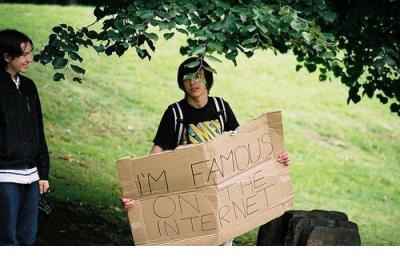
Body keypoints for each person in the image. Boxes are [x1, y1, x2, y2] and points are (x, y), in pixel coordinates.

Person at [120, 57, 290, 245]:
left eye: (198, 76)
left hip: (223, 203)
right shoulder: (174, 114)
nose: (193, 82)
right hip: (188, 202)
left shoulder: (221, 108)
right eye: (187, 78)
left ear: (207, 78)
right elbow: (157, 154)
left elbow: (243, 149)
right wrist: (136, 192)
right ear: (181, 83)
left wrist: (275, 159)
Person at [0, 29, 50, 246]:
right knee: (6, 240)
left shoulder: (29, 87)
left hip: (31, 177)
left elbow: (38, 130)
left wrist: (43, 172)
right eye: (24, 54)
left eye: (30, 53)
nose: (29, 59)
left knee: (27, 239)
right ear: (7, 56)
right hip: (4, 177)